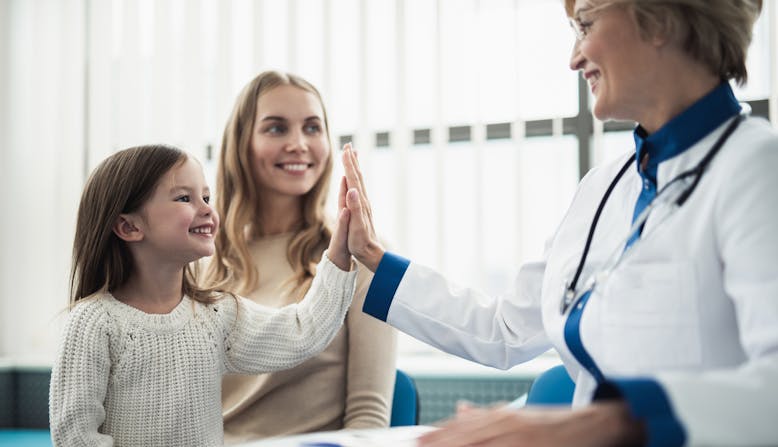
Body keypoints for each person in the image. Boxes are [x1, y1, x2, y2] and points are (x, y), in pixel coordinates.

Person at [339, 0, 778, 445]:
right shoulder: (604, 187)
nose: (574, 58)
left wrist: (607, 422)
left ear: (660, 19)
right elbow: (505, 330)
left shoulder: (757, 168)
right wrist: (372, 254)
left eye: (585, 25)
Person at [49, 145, 357, 446]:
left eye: (206, 197)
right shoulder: (94, 323)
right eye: (185, 198)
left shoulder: (216, 316)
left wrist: (340, 252)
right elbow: (76, 437)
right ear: (129, 226)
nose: (208, 209)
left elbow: (303, 331)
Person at [203, 71, 396, 443]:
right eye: (276, 129)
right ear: (241, 143)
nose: (298, 144)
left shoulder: (359, 258)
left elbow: (368, 420)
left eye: (312, 128)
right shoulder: (199, 260)